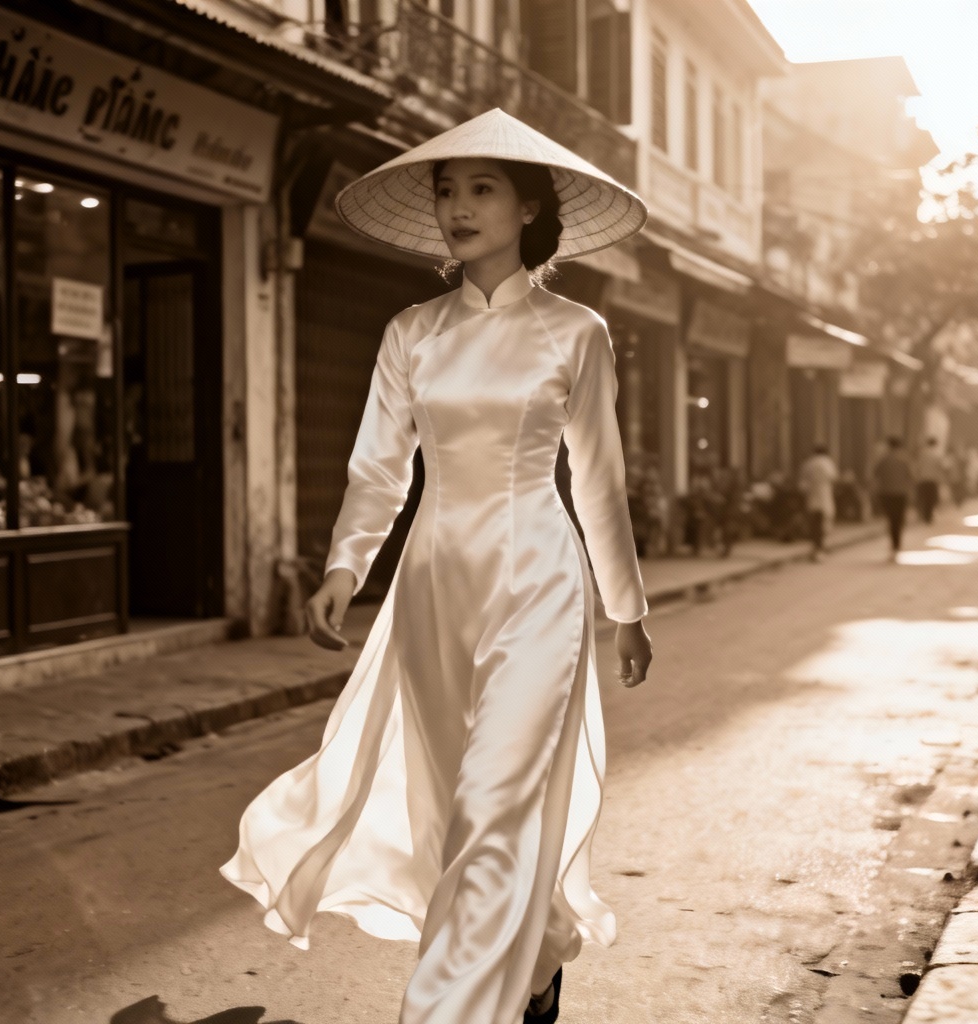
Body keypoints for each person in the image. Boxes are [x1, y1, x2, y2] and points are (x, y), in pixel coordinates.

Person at [220, 109, 654, 1024]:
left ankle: (447, 1012)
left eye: (481, 188)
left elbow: (600, 480)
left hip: (541, 582)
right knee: (457, 813)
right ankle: (536, 961)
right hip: (431, 586)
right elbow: (380, 466)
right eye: (446, 190)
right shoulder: (410, 331)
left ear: (529, 207)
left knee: (498, 807)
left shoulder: (578, 332)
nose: (458, 206)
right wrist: (345, 565)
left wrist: (628, 606)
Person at [873, 436, 913, 560]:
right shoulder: (905, 459)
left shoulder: (883, 460)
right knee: (898, 520)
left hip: (886, 494)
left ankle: (894, 545)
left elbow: (875, 474)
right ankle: (897, 545)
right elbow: (911, 476)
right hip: (901, 494)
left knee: (891, 519)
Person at [798, 443, 838, 561]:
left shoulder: (809, 463)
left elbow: (802, 481)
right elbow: (833, 477)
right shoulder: (827, 463)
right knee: (822, 524)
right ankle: (819, 549)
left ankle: (816, 548)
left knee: (814, 524)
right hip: (824, 495)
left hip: (812, 496)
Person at [914, 437, 945, 523]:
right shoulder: (937, 455)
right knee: (931, 499)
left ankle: (924, 515)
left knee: (923, 498)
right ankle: (929, 516)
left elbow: (917, 467)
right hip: (933, 480)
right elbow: (940, 467)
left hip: (922, 480)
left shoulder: (921, 454)